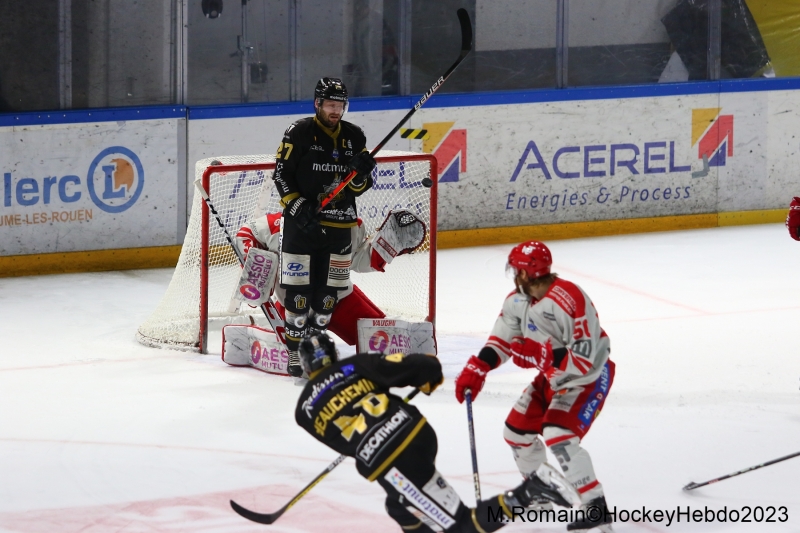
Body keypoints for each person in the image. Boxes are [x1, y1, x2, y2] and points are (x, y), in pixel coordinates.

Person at [294, 332, 579, 532]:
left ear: (306, 368)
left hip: (392, 462)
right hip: (416, 434)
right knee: (399, 508)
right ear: (333, 354)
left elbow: (345, 445)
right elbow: (423, 365)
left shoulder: (303, 412)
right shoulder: (354, 365)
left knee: (462, 526)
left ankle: (531, 491)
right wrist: (429, 378)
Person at [454, 241, 615, 533]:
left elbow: (585, 355)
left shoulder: (570, 297)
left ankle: (595, 505)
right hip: (553, 377)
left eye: (516, 269)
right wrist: (479, 368)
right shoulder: (516, 301)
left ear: (527, 273)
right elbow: (502, 341)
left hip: (588, 377)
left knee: (559, 435)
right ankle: (540, 491)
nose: (513, 274)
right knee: (516, 434)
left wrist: (542, 355)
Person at [272, 77, 378, 377]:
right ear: (317, 104)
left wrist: (360, 175)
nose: (336, 111)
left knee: (327, 297)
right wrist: (295, 205)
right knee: (298, 297)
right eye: (331, 105)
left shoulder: (355, 136)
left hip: (339, 227)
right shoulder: (300, 132)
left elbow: (358, 187)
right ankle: (295, 355)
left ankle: (316, 348)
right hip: (300, 228)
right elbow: (281, 173)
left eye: (340, 105)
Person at [235, 208, 425, 349]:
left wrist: (382, 250)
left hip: (339, 301)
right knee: (284, 350)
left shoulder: (350, 224)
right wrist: (258, 269)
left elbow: (358, 259)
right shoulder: (279, 224)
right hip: (291, 307)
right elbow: (246, 233)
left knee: (387, 345)